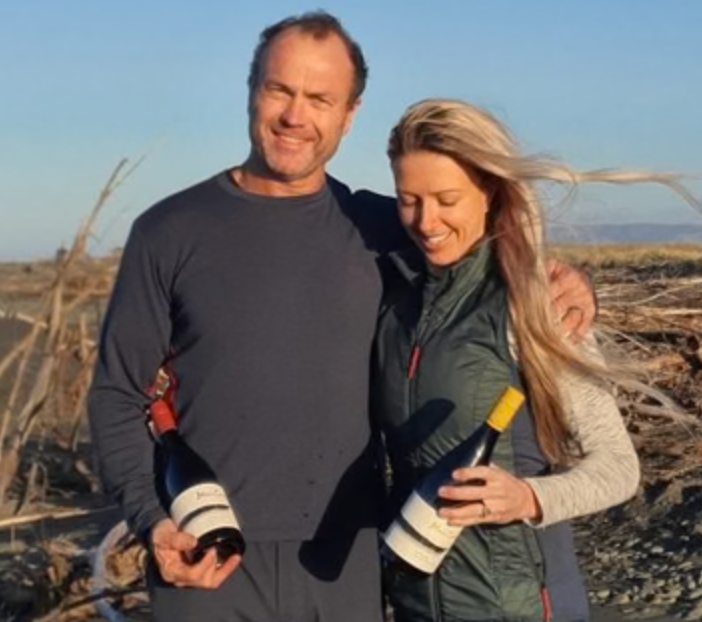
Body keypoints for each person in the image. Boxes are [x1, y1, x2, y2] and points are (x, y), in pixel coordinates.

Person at [87, 12, 595, 622]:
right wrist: (152, 521)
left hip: (347, 561)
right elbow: (117, 394)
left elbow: (479, 253)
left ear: (350, 114)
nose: (294, 116)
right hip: (207, 552)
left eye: (320, 99)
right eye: (280, 90)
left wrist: (564, 280)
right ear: (251, 90)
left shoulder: (384, 229)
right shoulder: (168, 232)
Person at [372, 99, 698, 622]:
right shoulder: (395, 302)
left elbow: (618, 467)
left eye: (447, 199)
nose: (426, 221)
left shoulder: (533, 301)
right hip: (418, 606)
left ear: (489, 192)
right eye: (408, 200)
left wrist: (527, 497)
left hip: (520, 605)